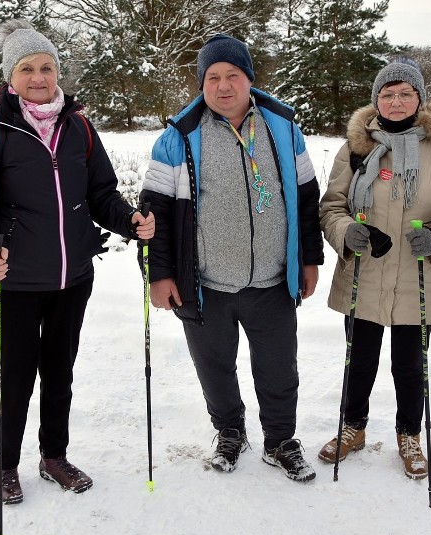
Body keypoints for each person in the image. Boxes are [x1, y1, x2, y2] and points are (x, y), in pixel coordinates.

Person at [0, 19, 155, 504]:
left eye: (47, 67)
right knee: (15, 378)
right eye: (27, 68)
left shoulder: (79, 127)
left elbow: (101, 193)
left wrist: (130, 219)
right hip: (14, 281)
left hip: (71, 278)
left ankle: (53, 456)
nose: (39, 77)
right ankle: (5, 465)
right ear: (11, 77)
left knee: (60, 373)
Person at [139, 34, 325, 482]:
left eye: (232, 76)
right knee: (215, 368)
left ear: (249, 79)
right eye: (213, 77)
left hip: (272, 280)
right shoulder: (178, 138)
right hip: (205, 283)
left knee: (279, 368)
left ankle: (280, 440)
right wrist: (158, 274)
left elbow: (305, 197)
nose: (223, 86)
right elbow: (154, 212)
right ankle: (229, 432)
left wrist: (309, 258)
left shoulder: (283, 128)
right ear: (202, 83)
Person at [317, 58, 431, 479]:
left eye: (405, 93)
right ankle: (352, 428)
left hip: (420, 277)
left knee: (410, 365)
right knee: (359, 359)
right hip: (365, 274)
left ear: (419, 99)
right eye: (387, 93)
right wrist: (345, 232)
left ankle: (409, 434)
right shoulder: (356, 148)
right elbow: (333, 206)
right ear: (376, 100)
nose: (395, 100)